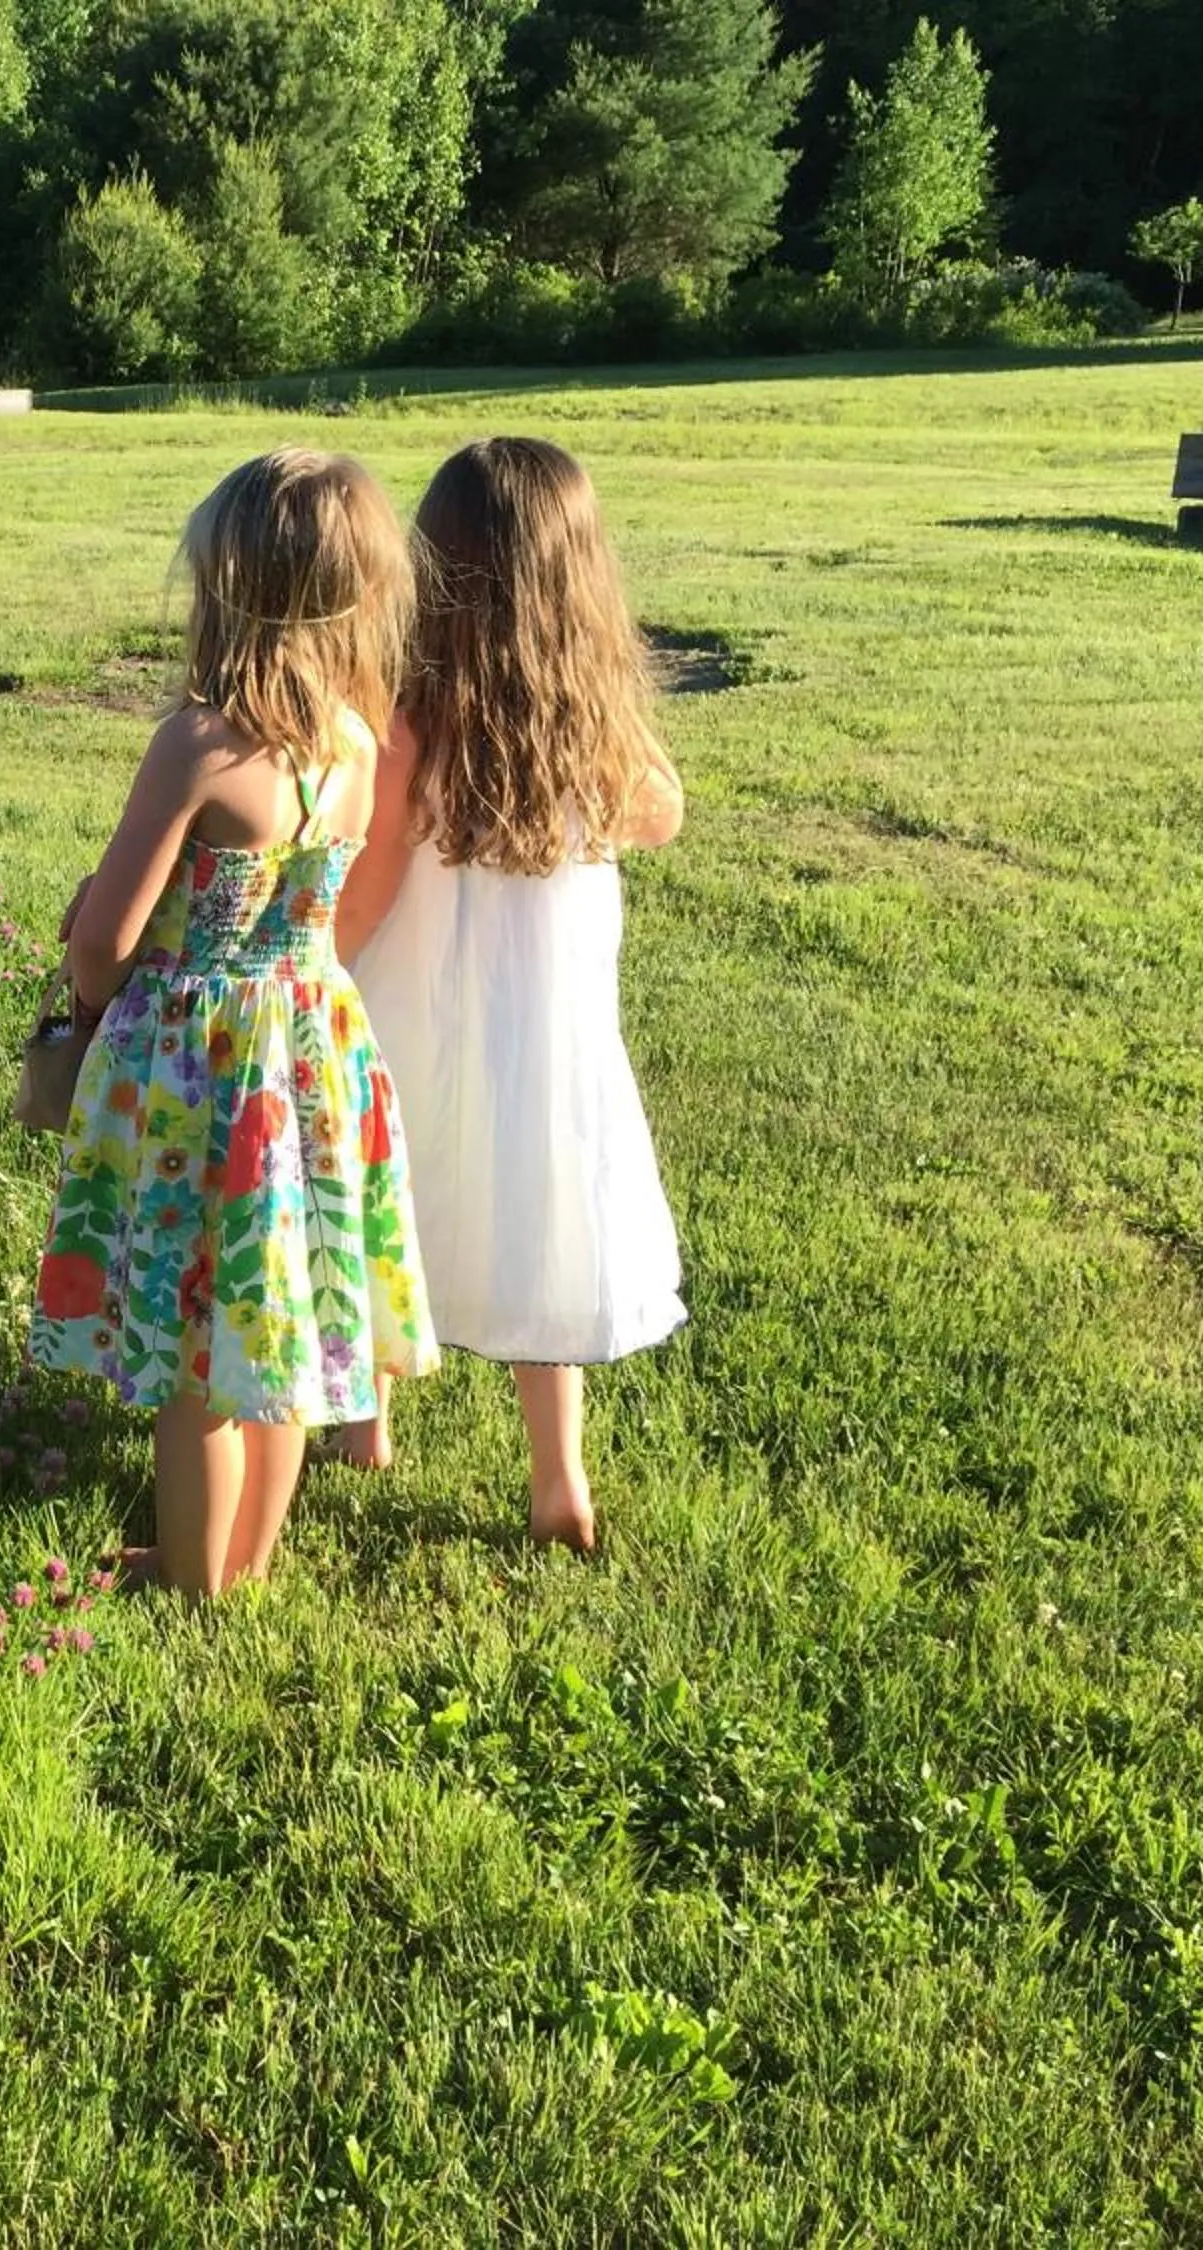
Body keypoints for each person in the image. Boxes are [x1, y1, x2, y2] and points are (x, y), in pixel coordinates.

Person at [31, 448, 439, 1599]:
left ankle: (193, 1580)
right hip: (310, 1053)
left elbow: (105, 941)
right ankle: (248, 1559)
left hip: (197, 1076)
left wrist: (95, 978)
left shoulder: (202, 743)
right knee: (277, 1329)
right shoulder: (359, 746)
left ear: (229, 589)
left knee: (190, 1354)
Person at [335, 437, 689, 1552]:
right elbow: (662, 813)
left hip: (411, 1016)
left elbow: (371, 894)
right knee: (540, 1221)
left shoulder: (409, 729)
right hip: (549, 1036)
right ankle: (557, 1483)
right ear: (581, 579)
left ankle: (368, 1423)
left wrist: (314, 964)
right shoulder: (593, 732)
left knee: (392, 1203)